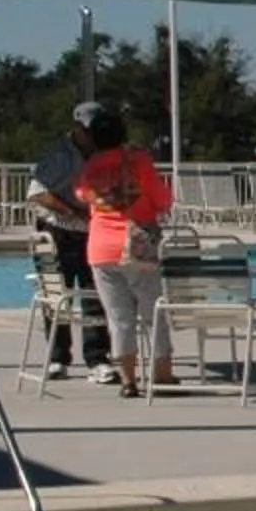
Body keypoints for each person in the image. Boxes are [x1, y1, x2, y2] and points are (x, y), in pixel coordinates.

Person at [73, 107, 174, 395]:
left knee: (119, 317)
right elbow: (160, 197)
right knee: (153, 310)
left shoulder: (90, 167)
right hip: (138, 242)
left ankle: (129, 380)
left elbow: (81, 194)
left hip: (101, 247)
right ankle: (162, 372)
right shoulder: (138, 160)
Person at [24, 102, 112, 373]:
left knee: (95, 294)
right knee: (55, 294)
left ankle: (98, 358)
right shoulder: (58, 154)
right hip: (56, 231)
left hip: (92, 232)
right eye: (89, 131)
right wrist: (75, 213)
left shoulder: (104, 152)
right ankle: (58, 358)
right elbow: (37, 193)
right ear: (77, 128)